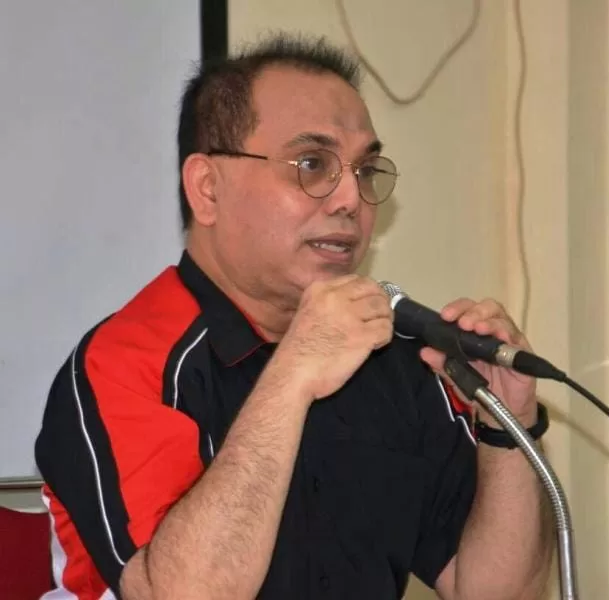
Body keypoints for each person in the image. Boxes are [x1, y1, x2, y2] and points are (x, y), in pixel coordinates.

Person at [35, 33, 552, 600]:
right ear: (207, 190)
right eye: (312, 164)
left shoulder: (395, 357)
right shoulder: (125, 363)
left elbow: (496, 592)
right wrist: (293, 375)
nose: (350, 199)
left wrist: (508, 426)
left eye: (364, 170)